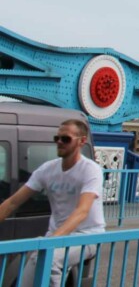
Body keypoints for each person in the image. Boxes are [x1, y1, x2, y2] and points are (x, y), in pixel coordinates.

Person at [0, 119, 105, 287]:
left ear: (81, 141)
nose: (59, 142)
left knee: (51, 258)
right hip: (56, 236)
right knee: (25, 280)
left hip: (87, 235)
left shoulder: (90, 170)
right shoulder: (47, 169)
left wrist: (52, 241)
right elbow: (13, 202)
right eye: (57, 138)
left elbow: (82, 211)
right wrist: (53, 240)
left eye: (66, 139)